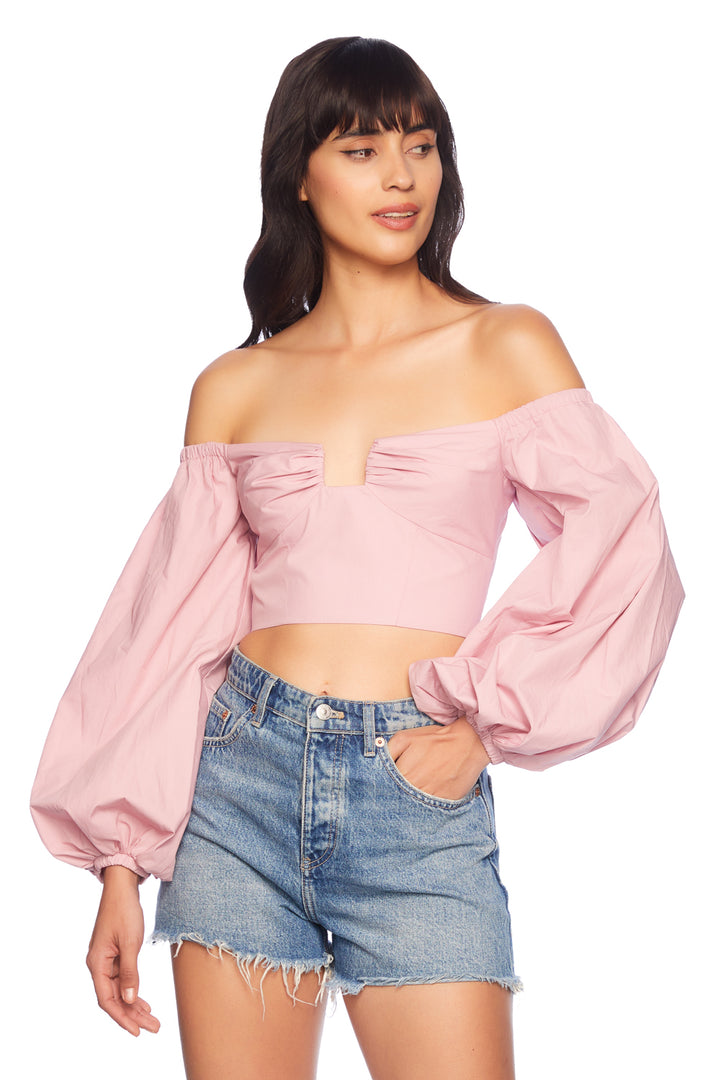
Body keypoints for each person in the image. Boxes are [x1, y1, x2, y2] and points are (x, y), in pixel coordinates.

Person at [30, 36, 685, 1080]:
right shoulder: (235, 386)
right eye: (363, 148)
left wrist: (484, 729)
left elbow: (627, 552)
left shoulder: (505, 345)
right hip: (235, 791)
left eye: (421, 146)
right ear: (299, 173)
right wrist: (121, 862)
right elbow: (169, 630)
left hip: (413, 792)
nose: (401, 176)